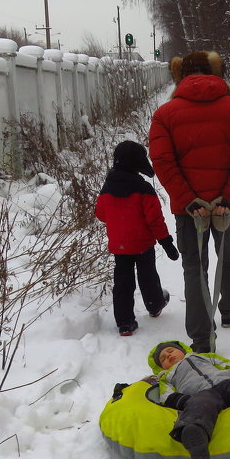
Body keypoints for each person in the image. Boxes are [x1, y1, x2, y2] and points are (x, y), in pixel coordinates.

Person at [148, 51, 230, 352]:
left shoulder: (165, 115)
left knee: (195, 268)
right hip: (225, 206)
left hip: (189, 210)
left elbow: (162, 160)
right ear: (215, 72)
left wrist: (187, 199)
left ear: (179, 75)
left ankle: (201, 338)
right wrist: (229, 196)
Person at [95, 140, 180, 336]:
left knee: (123, 283)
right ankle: (154, 305)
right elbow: (155, 221)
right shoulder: (144, 190)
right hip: (143, 244)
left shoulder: (107, 189)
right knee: (148, 276)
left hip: (120, 246)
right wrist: (167, 243)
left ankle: (125, 323)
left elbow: (100, 214)